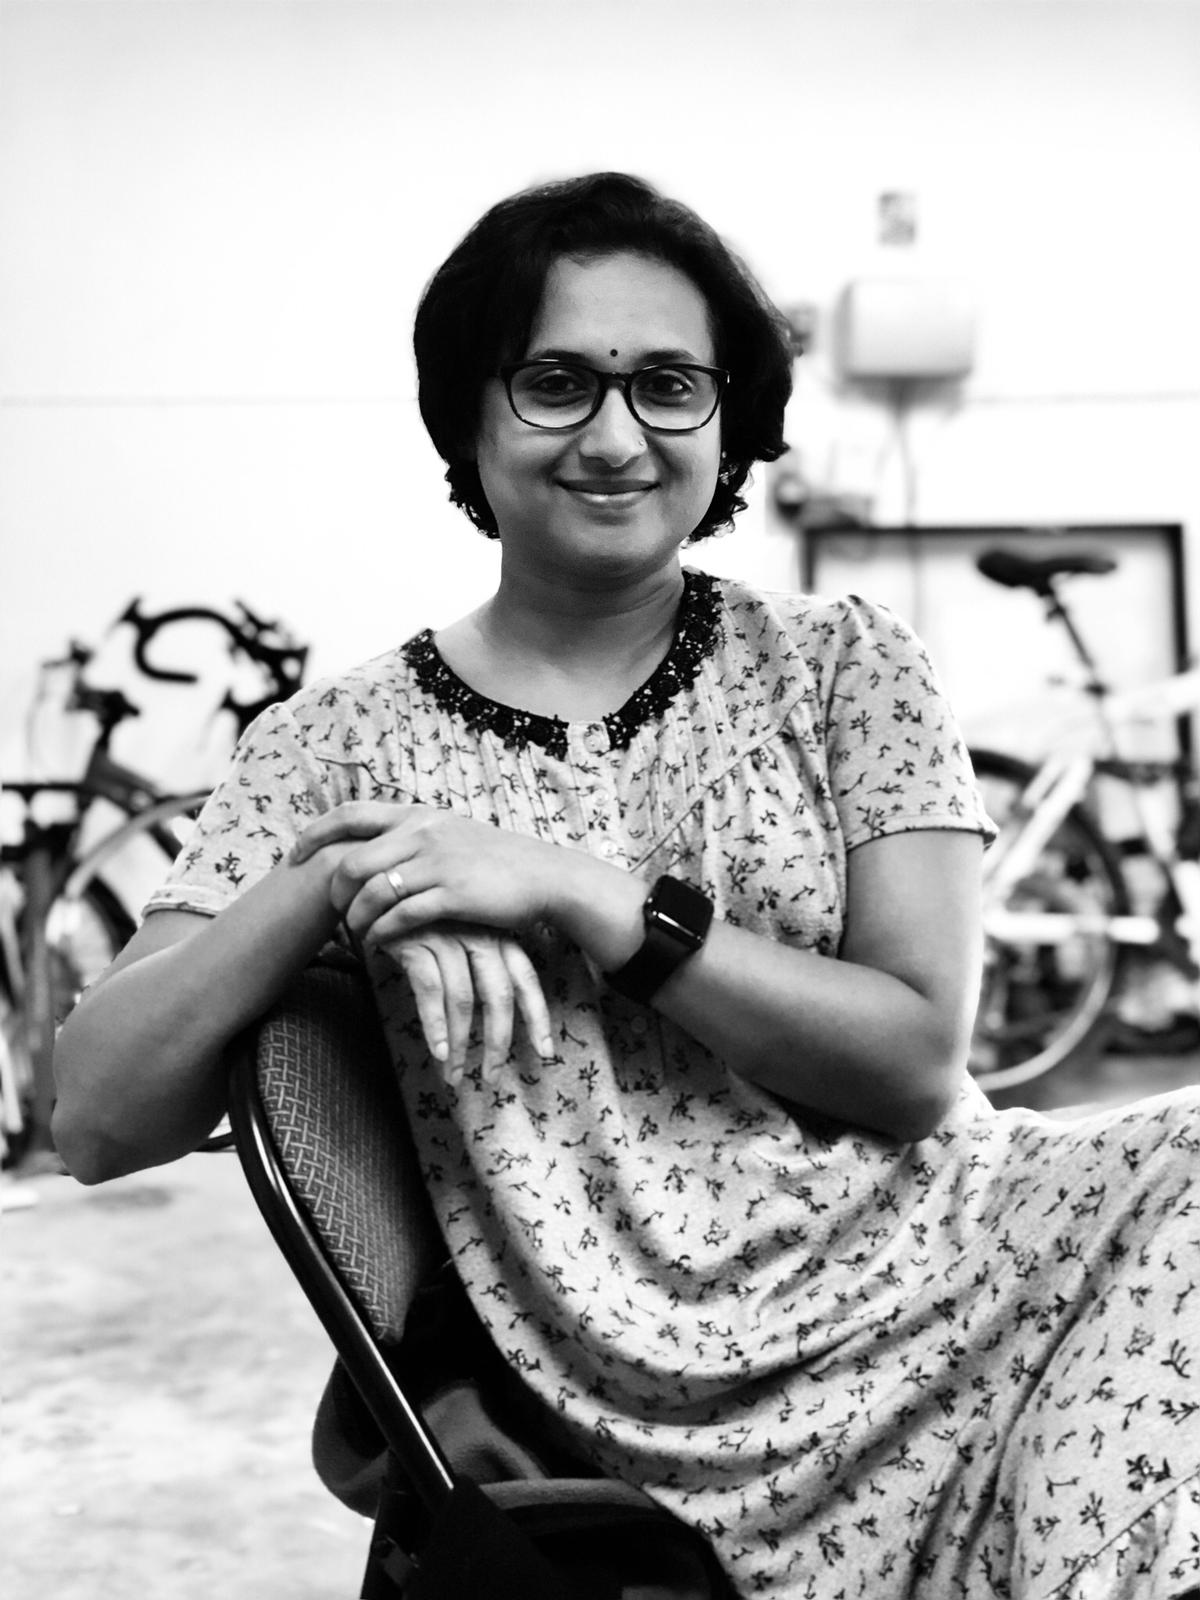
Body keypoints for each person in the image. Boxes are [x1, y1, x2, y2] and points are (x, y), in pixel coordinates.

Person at [53, 172, 1200, 1599]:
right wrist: (329, 880)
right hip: (655, 1405)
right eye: (556, 383)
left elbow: (914, 1066)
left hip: (960, 1274)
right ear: (469, 415)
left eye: (668, 385)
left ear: (727, 422)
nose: (614, 436)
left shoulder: (845, 665)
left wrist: (590, 897)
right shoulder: (331, 747)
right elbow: (94, 1119)